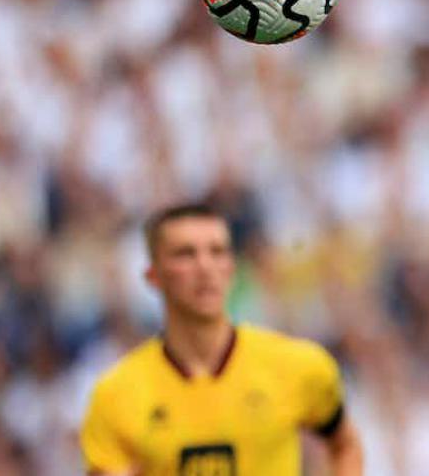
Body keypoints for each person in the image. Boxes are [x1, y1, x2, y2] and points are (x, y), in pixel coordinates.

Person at [80, 203, 363, 475]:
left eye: (217, 252)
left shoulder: (297, 366)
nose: (205, 267)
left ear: (232, 267)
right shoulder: (118, 395)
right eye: (185, 254)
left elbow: (345, 444)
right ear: (154, 276)